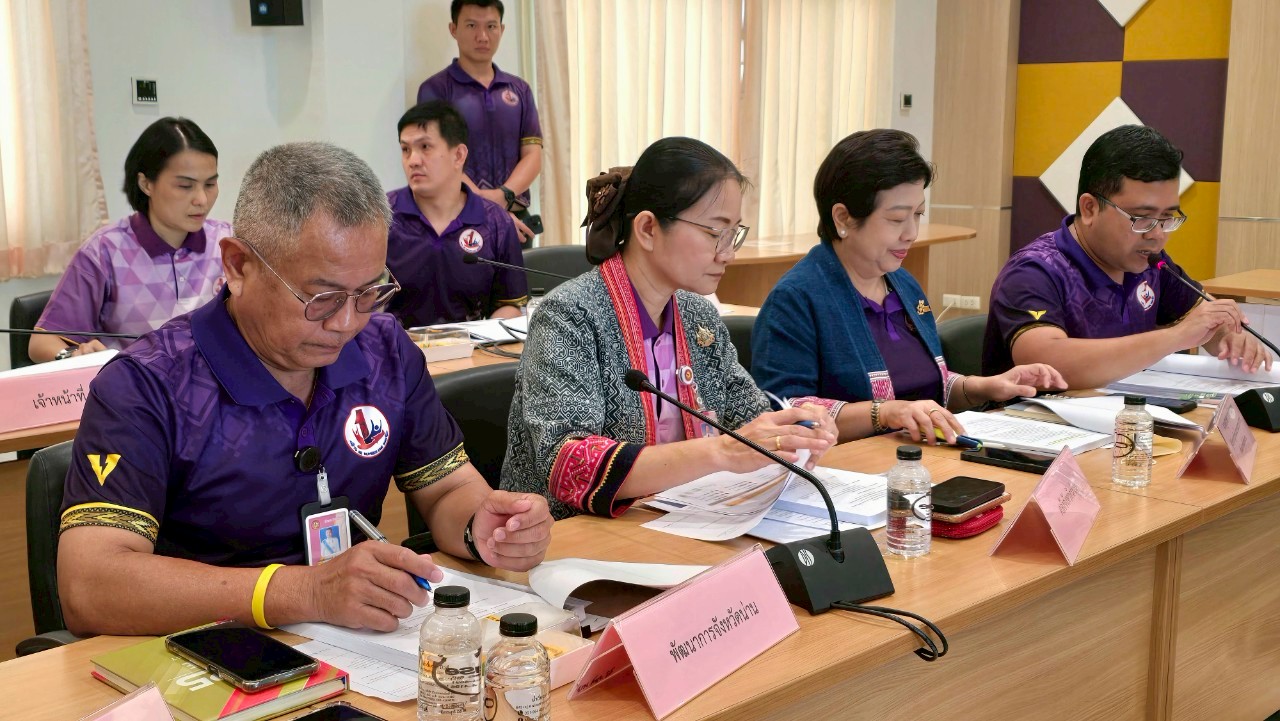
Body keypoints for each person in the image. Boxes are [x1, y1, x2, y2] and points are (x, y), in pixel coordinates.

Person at [57, 142, 552, 637]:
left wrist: (481, 525)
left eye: (369, 293)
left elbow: (447, 488)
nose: (346, 322)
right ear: (238, 267)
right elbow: (92, 585)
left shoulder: (386, 353)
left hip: (359, 652)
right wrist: (306, 592)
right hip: (206, 656)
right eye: (322, 297)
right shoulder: (146, 385)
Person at [501, 137, 837, 521]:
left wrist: (797, 424)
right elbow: (569, 462)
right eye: (715, 232)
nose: (727, 252)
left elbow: (749, 416)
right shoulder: (569, 316)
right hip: (570, 538)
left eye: (734, 234)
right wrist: (722, 452)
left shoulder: (699, 317)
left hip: (681, 523)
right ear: (647, 229)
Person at [751, 130, 1065, 443]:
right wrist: (884, 413)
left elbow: (924, 390)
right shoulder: (796, 300)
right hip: (847, 474)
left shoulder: (902, 284)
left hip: (918, 460)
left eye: (918, 215)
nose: (911, 233)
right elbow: (786, 412)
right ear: (843, 218)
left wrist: (981, 387)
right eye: (897, 219)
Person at [983, 125, 1271, 388]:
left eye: (1168, 217)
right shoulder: (1035, 271)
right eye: (1141, 218)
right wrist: (1178, 336)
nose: (1157, 234)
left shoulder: (1150, 261)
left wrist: (1228, 336)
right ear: (1090, 209)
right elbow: (1046, 364)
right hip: (1037, 433)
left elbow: (1200, 317)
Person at [31, 117, 230, 363]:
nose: (202, 199)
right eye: (185, 186)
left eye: (210, 184)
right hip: (135, 394)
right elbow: (41, 342)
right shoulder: (104, 251)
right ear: (146, 183)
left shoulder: (229, 242)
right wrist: (75, 355)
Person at [386, 101, 528, 326]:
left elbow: (509, 305)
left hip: (473, 354)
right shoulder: (381, 217)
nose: (413, 161)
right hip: (396, 354)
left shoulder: (496, 223)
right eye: (406, 150)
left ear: (459, 155)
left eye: (425, 147)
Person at [417, 0, 542, 242]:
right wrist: (483, 205)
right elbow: (435, 156)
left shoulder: (519, 89)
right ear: (453, 29)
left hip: (517, 221)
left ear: (502, 30)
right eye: (472, 25)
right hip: (458, 220)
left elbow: (533, 155)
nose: (482, 36)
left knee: (522, 280)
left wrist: (503, 195)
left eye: (491, 26)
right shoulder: (435, 90)